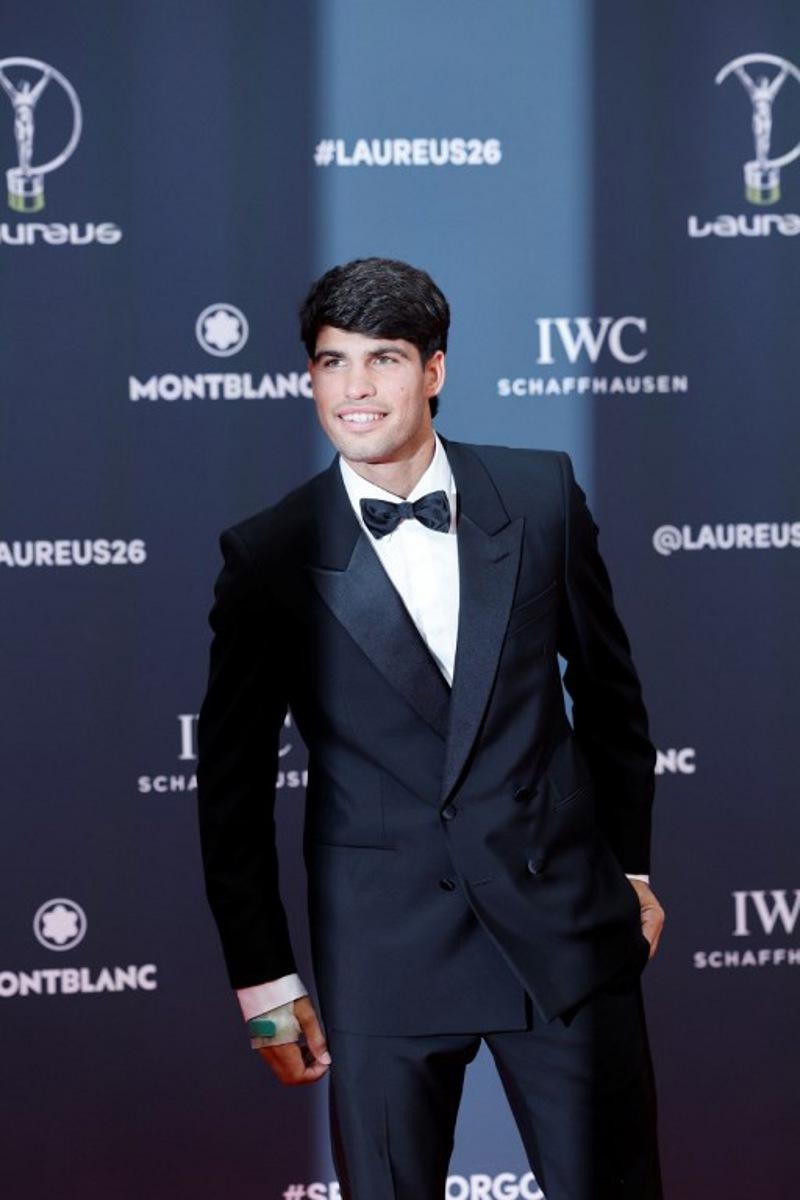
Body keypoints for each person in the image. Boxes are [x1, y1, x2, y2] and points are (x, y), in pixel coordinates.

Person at [197, 257, 665, 1199]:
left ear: (435, 371)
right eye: (332, 364)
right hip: (383, 952)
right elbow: (231, 785)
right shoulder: (271, 552)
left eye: (384, 360)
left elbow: (612, 699)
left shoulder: (538, 498)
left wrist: (632, 868)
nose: (355, 390)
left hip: (561, 926)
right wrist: (265, 982)